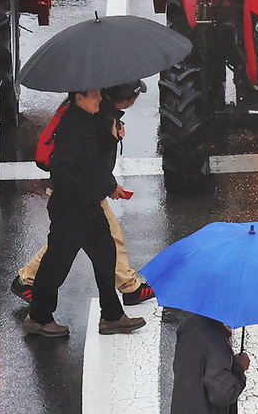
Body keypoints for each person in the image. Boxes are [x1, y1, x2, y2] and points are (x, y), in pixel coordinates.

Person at [12, 85, 154, 308]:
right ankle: (126, 293)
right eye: (133, 97)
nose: (134, 101)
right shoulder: (98, 118)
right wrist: (110, 183)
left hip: (82, 193)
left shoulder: (98, 113)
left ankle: (126, 291)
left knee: (70, 244)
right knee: (72, 246)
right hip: (78, 195)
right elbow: (93, 162)